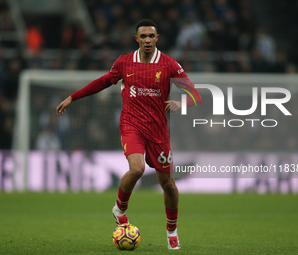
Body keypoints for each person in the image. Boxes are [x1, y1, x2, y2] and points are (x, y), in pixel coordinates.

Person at [56, 19, 201, 250]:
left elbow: (196, 95)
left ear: (157, 39)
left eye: (150, 36)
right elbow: (103, 82)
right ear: (136, 39)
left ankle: (171, 231)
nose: (146, 40)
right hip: (131, 125)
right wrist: (73, 97)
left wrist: (179, 103)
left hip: (159, 131)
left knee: (169, 186)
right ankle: (120, 208)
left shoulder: (170, 64)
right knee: (137, 169)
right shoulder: (124, 62)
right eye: (142, 36)